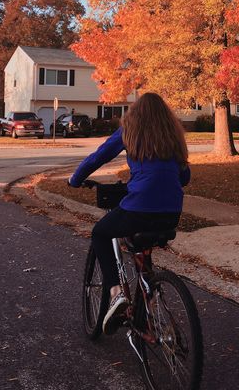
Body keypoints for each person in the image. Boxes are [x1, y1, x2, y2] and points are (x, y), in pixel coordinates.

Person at [68, 92, 190, 334]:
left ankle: (116, 293)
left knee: (101, 233)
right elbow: (184, 177)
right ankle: (149, 296)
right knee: (140, 239)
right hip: (171, 212)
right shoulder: (173, 138)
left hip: (139, 206)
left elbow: (98, 157)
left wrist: (75, 178)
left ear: (135, 114)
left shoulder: (129, 131)